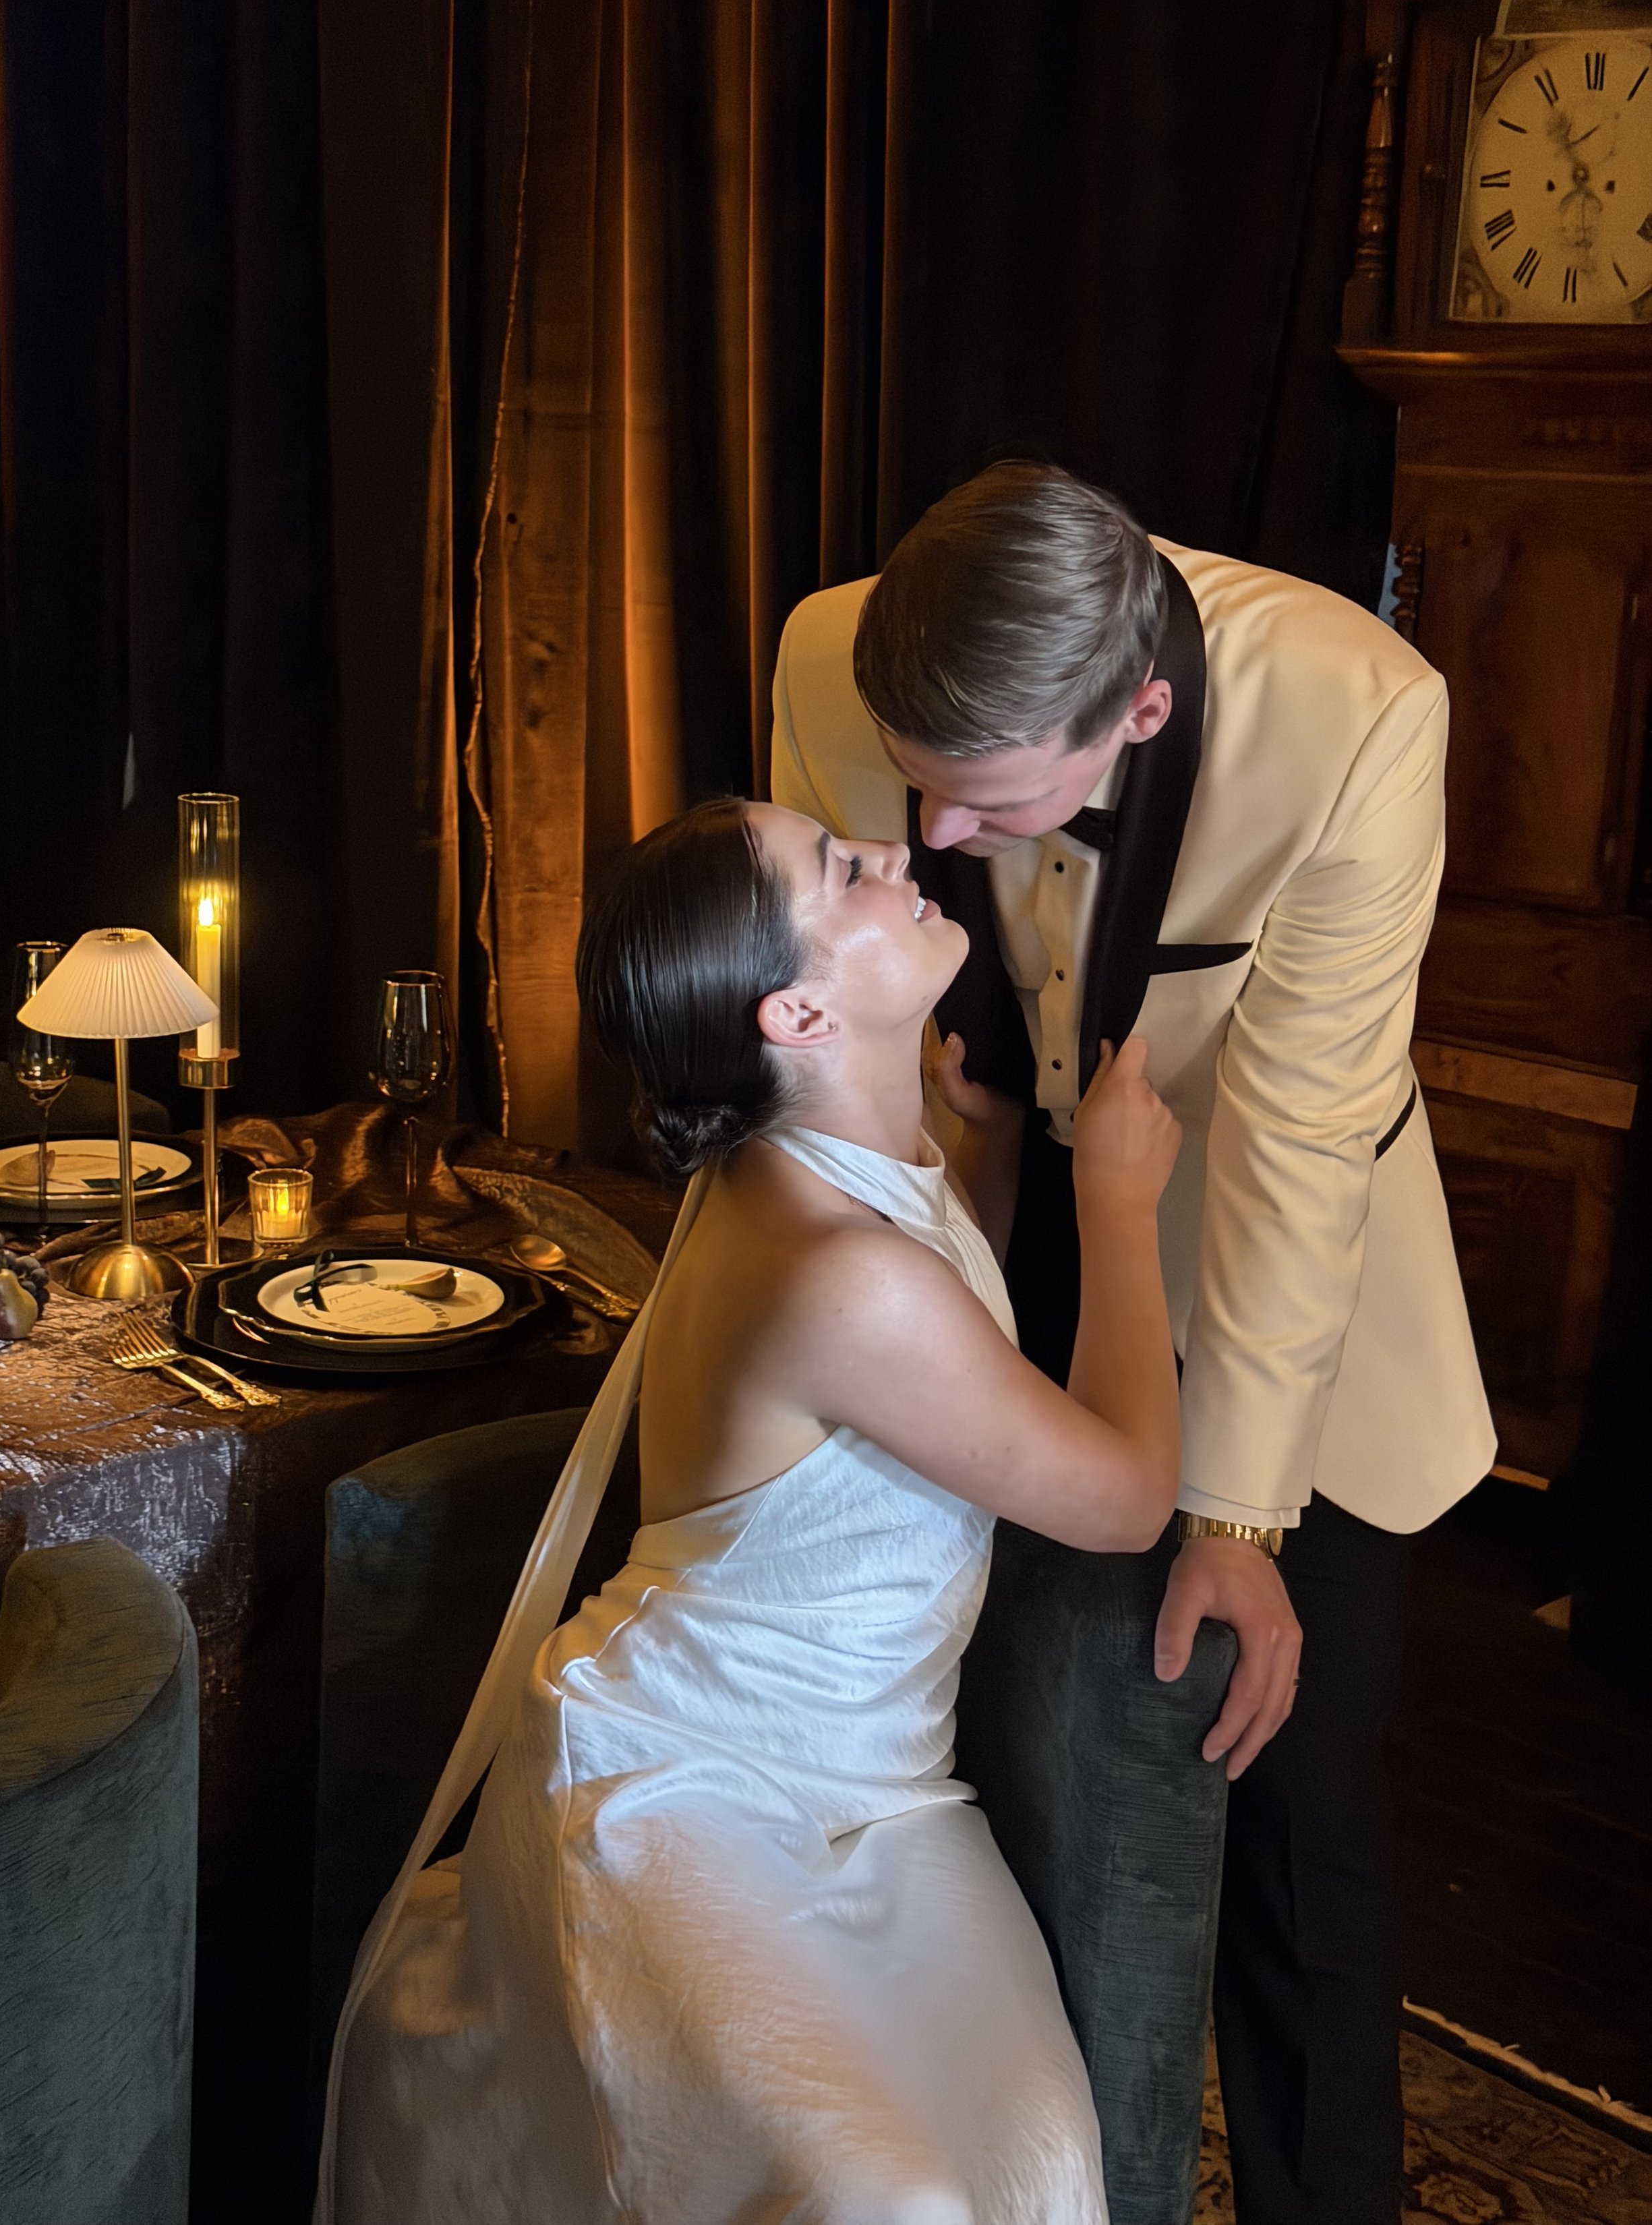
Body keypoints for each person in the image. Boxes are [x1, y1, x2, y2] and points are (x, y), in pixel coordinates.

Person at [770, 462, 1498, 2225]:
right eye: (913, 776)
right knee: (1012, 1787)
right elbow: (835, 1006)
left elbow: (1303, 1139)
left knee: (1294, 1842)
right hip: (997, 1266)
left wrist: (1238, 1518)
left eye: (985, 790)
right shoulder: (824, 657)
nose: (935, 829)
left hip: (1297, 1318)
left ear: (1141, 710)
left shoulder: (1359, 714)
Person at [317, 796, 1186, 2225]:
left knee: (1029, 2164)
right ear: (792, 1010)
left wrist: (984, 1155)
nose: (895, 855)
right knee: (884, 2195)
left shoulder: (785, 1163)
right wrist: (1118, 1206)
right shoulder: (836, 1267)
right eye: (843, 869)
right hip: (677, 1784)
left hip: (873, 1797)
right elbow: (1127, 1498)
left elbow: (908, 1297)